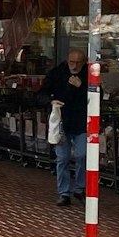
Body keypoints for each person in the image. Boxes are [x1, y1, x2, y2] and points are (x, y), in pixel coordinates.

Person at [38, 48, 90, 206]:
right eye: (71, 62)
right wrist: (51, 102)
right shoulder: (57, 73)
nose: (74, 66)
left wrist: (82, 87)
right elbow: (41, 94)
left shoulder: (88, 76)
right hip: (62, 121)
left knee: (82, 155)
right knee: (63, 158)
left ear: (84, 63)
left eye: (77, 63)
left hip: (81, 121)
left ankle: (80, 188)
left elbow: (98, 96)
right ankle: (64, 192)